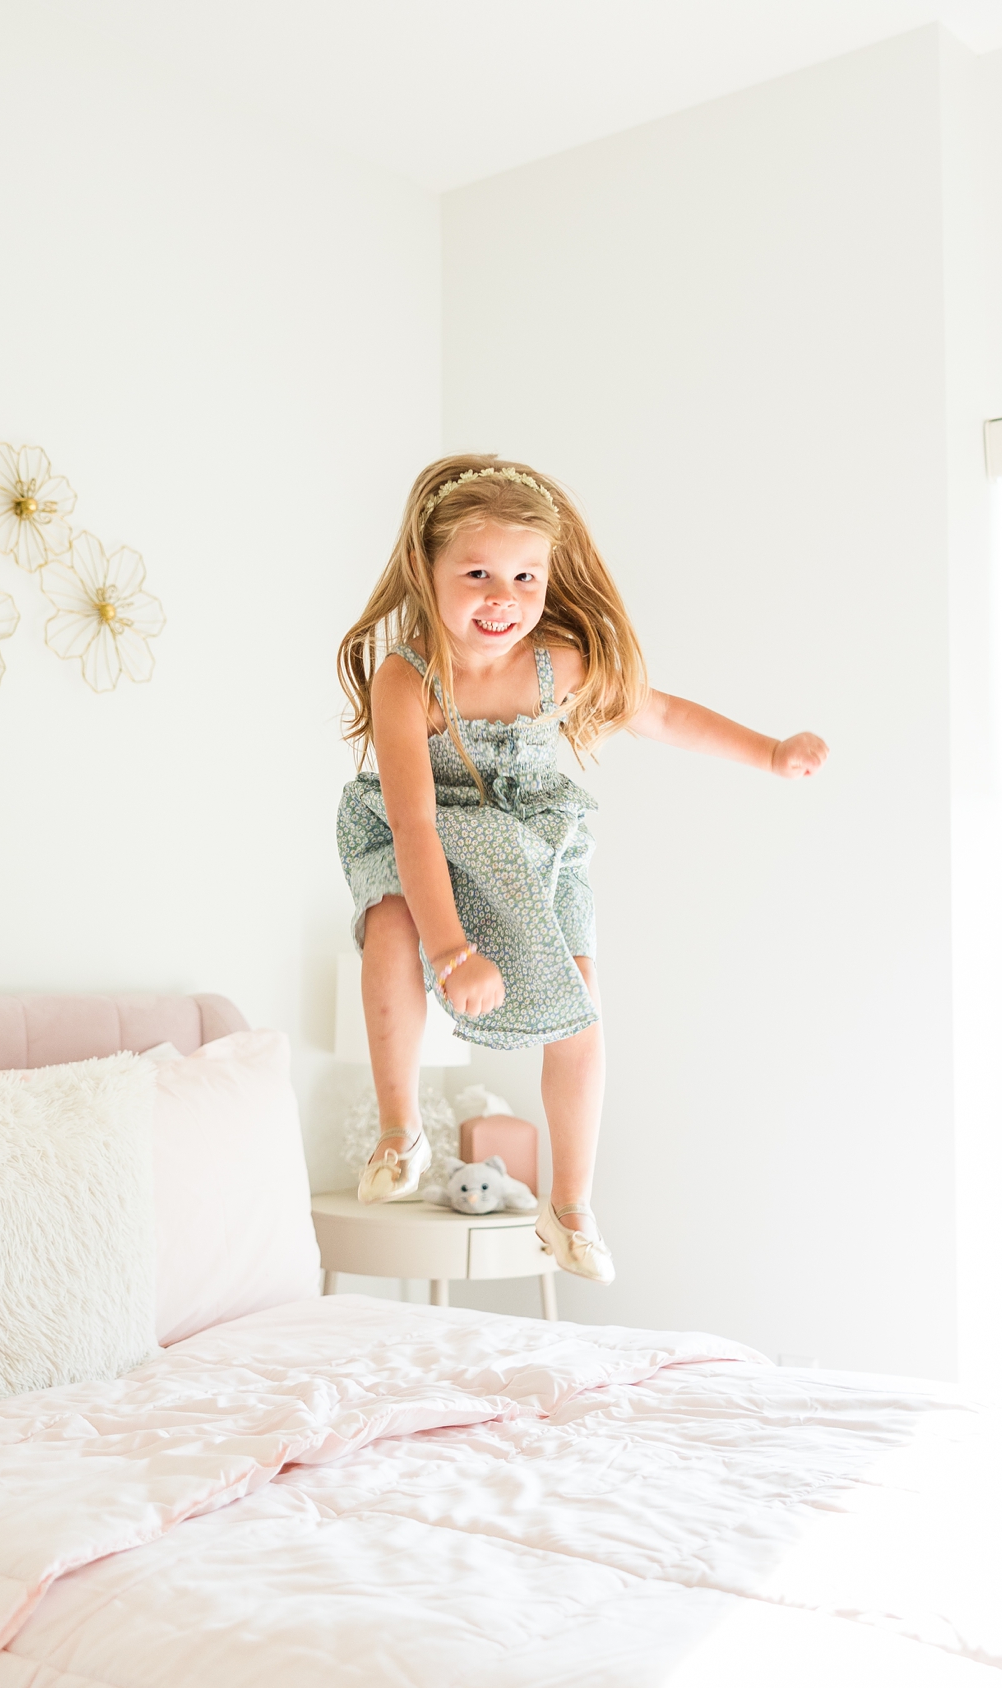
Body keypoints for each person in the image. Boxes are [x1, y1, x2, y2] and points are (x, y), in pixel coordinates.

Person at [336, 454, 828, 1285]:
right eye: (479, 573)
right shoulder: (406, 680)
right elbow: (415, 822)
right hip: (427, 832)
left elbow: (663, 712)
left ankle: (570, 1208)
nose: (503, 597)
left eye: (526, 577)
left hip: (532, 839)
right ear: (429, 570)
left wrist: (771, 752)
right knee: (388, 925)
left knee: (582, 1003)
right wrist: (451, 951)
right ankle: (399, 1130)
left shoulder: (556, 664)